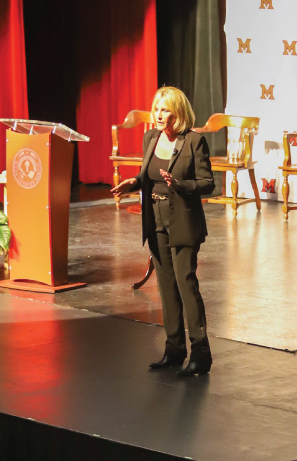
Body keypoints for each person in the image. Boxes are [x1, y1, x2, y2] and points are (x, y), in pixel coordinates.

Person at [111, 86, 215, 377]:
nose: (158, 114)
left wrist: (180, 186)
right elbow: (147, 175)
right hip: (154, 218)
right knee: (166, 288)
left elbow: (208, 183)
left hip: (182, 218)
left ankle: (201, 353)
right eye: (156, 108)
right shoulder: (151, 138)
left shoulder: (194, 141)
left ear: (178, 113)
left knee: (186, 284)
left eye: (165, 109)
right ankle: (174, 350)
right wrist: (133, 182)